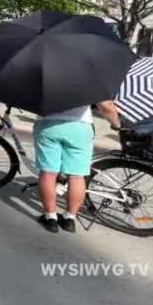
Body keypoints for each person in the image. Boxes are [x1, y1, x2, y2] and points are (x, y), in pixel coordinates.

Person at [35, 100, 121, 234]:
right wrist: (116, 124)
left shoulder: (44, 78)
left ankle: (50, 218)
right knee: (76, 176)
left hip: (48, 124)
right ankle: (69, 219)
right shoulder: (88, 78)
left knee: (48, 173)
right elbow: (106, 105)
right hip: (80, 126)